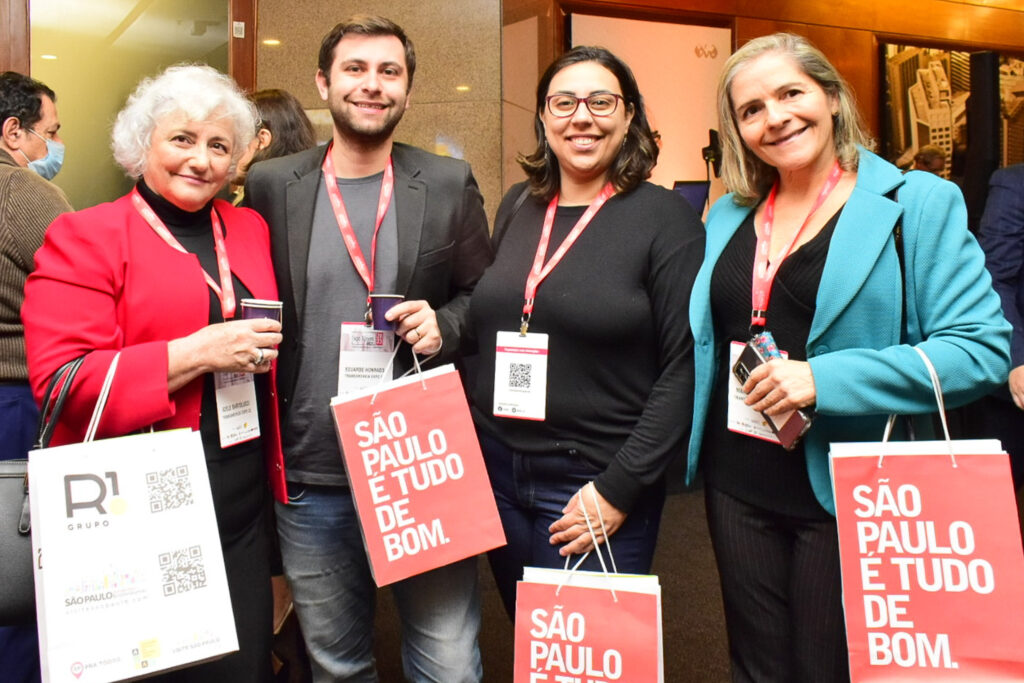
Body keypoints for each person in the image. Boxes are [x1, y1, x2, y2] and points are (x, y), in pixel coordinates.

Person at [686, 33, 1011, 682]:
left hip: (850, 485)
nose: (774, 117)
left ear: (831, 97)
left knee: (828, 668)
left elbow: (981, 349)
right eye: (751, 109)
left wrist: (820, 379)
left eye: (790, 93)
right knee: (755, 665)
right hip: (736, 479)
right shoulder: (726, 213)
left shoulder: (914, 204)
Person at [244, 15, 492, 682]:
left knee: (447, 661)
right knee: (337, 662)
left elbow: (483, 297)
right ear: (324, 82)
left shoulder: (445, 182)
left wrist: (447, 324)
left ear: (408, 89)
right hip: (310, 469)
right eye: (355, 69)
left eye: (389, 71)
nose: (372, 85)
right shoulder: (273, 185)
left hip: (419, 458)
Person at [23, 64, 284, 682]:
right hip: (136, 510)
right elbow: (62, 383)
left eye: (219, 145)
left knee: (241, 669)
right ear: (143, 145)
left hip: (240, 511)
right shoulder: (85, 235)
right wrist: (196, 353)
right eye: (182, 139)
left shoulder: (249, 230)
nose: (201, 159)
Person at [468, 45, 704, 618]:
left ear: (628, 117)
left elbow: (685, 366)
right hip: (498, 471)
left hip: (593, 481)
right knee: (530, 638)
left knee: (583, 660)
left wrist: (620, 488)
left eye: (601, 101)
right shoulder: (519, 205)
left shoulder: (664, 217)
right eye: (564, 101)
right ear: (544, 117)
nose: (581, 116)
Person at [0, 70, 70, 683]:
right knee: (22, 577)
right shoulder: (20, 191)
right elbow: (82, 281)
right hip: (16, 398)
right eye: (49, 133)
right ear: (12, 132)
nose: (53, 147)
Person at [963, 163, 1024, 490]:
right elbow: (995, 279)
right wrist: (1018, 360)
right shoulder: (1015, 185)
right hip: (1014, 394)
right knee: (998, 510)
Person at [230, 88, 316, 204]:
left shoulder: (263, 204)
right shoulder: (311, 193)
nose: (230, 152)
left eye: (238, 140)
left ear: (262, 140)